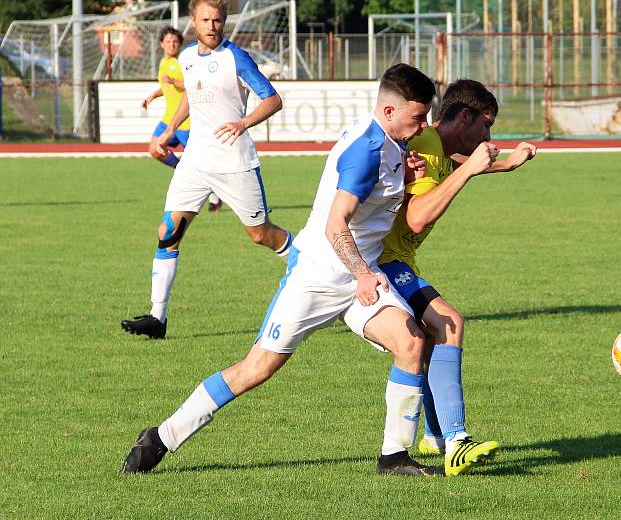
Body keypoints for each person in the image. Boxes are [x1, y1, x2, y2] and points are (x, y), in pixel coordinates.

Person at [119, 63, 441, 477]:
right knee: (257, 368)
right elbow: (335, 223)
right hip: (319, 277)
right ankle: (162, 436)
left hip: (359, 277)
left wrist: (406, 176)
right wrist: (362, 272)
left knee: (412, 342)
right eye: (418, 117)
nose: (424, 126)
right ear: (390, 112)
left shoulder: (389, 139)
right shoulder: (367, 150)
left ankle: (394, 457)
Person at [378, 79, 537, 476]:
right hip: (381, 263)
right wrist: (473, 170)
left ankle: (435, 434)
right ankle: (456, 441)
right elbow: (416, 218)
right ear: (464, 116)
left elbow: (462, 164)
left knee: (432, 341)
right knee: (448, 322)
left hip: (394, 261)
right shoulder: (428, 148)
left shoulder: (440, 148)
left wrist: (504, 164)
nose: (488, 136)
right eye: (486, 126)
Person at [120, 0, 292, 340]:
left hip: (234, 161)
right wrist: (169, 129)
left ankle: (314, 267)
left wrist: (243, 123)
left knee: (260, 235)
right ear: (193, 22)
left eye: (218, 20)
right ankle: (157, 318)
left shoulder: (236, 58)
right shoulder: (186, 57)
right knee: (168, 232)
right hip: (195, 162)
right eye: (205, 20)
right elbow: (190, 96)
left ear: (224, 22)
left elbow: (272, 99)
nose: (212, 26)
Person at [141, 26, 223, 212]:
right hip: (168, 119)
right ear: (162, 44)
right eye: (168, 41)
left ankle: (214, 192)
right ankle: (183, 170)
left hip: (185, 121)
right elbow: (166, 85)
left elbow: (192, 85)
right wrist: (152, 96)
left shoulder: (184, 62)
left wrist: (173, 81)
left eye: (175, 41)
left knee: (201, 160)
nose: (172, 44)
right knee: (154, 150)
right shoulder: (164, 62)